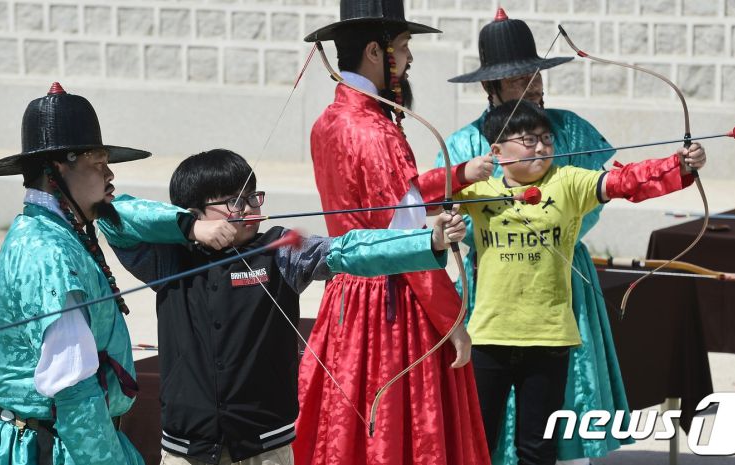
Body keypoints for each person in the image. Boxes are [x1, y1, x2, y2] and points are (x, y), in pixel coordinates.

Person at [98, 149, 469, 465]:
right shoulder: (169, 257)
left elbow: (347, 250)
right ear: (195, 211)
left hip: (266, 445)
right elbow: (113, 217)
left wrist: (428, 240)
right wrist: (189, 229)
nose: (248, 208)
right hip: (186, 448)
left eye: (252, 197)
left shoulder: (280, 249)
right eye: (233, 202)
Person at [293, 0, 494, 464]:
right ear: (373, 51)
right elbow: (405, 242)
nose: (408, 59)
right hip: (392, 306)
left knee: (350, 431)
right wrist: (452, 320)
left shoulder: (329, 121)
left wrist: (461, 173)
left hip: (346, 295)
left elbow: (382, 202)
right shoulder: (377, 131)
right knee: (403, 434)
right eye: (402, 47)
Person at [456, 100, 706, 465]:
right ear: (497, 151)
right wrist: (462, 173)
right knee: (476, 447)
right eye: (528, 140)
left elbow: (624, 181)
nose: (541, 148)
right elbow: (422, 198)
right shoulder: (479, 193)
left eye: (547, 139)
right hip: (489, 338)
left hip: (548, 339)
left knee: (537, 450)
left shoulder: (569, 181)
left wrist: (677, 164)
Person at [436, 9, 632, 464]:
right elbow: (448, 203)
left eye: (535, 74)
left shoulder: (567, 127)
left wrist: (553, 231)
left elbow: (594, 196)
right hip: (494, 278)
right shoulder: (467, 143)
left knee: (550, 415)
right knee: (484, 418)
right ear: (492, 87)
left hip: (561, 273)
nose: (533, 85)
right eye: (518, 78)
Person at [0, 83, 150, 464]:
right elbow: (73, 388)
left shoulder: (56, 234)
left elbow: (137, 212)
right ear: (59, 167)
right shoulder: (48, 252)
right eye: (97, 163)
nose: (109, 175)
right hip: (53, 447)